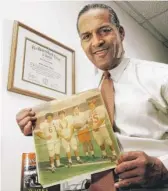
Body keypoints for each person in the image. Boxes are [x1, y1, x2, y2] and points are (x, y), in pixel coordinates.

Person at [16, 3, 168, 189]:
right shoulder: (83, 95)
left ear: (120, 33)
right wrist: (41, 130)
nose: (96, 41)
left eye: (104, 31)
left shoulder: (161, 76)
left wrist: (163, 167)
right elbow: (77, 149)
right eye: (86, 36)